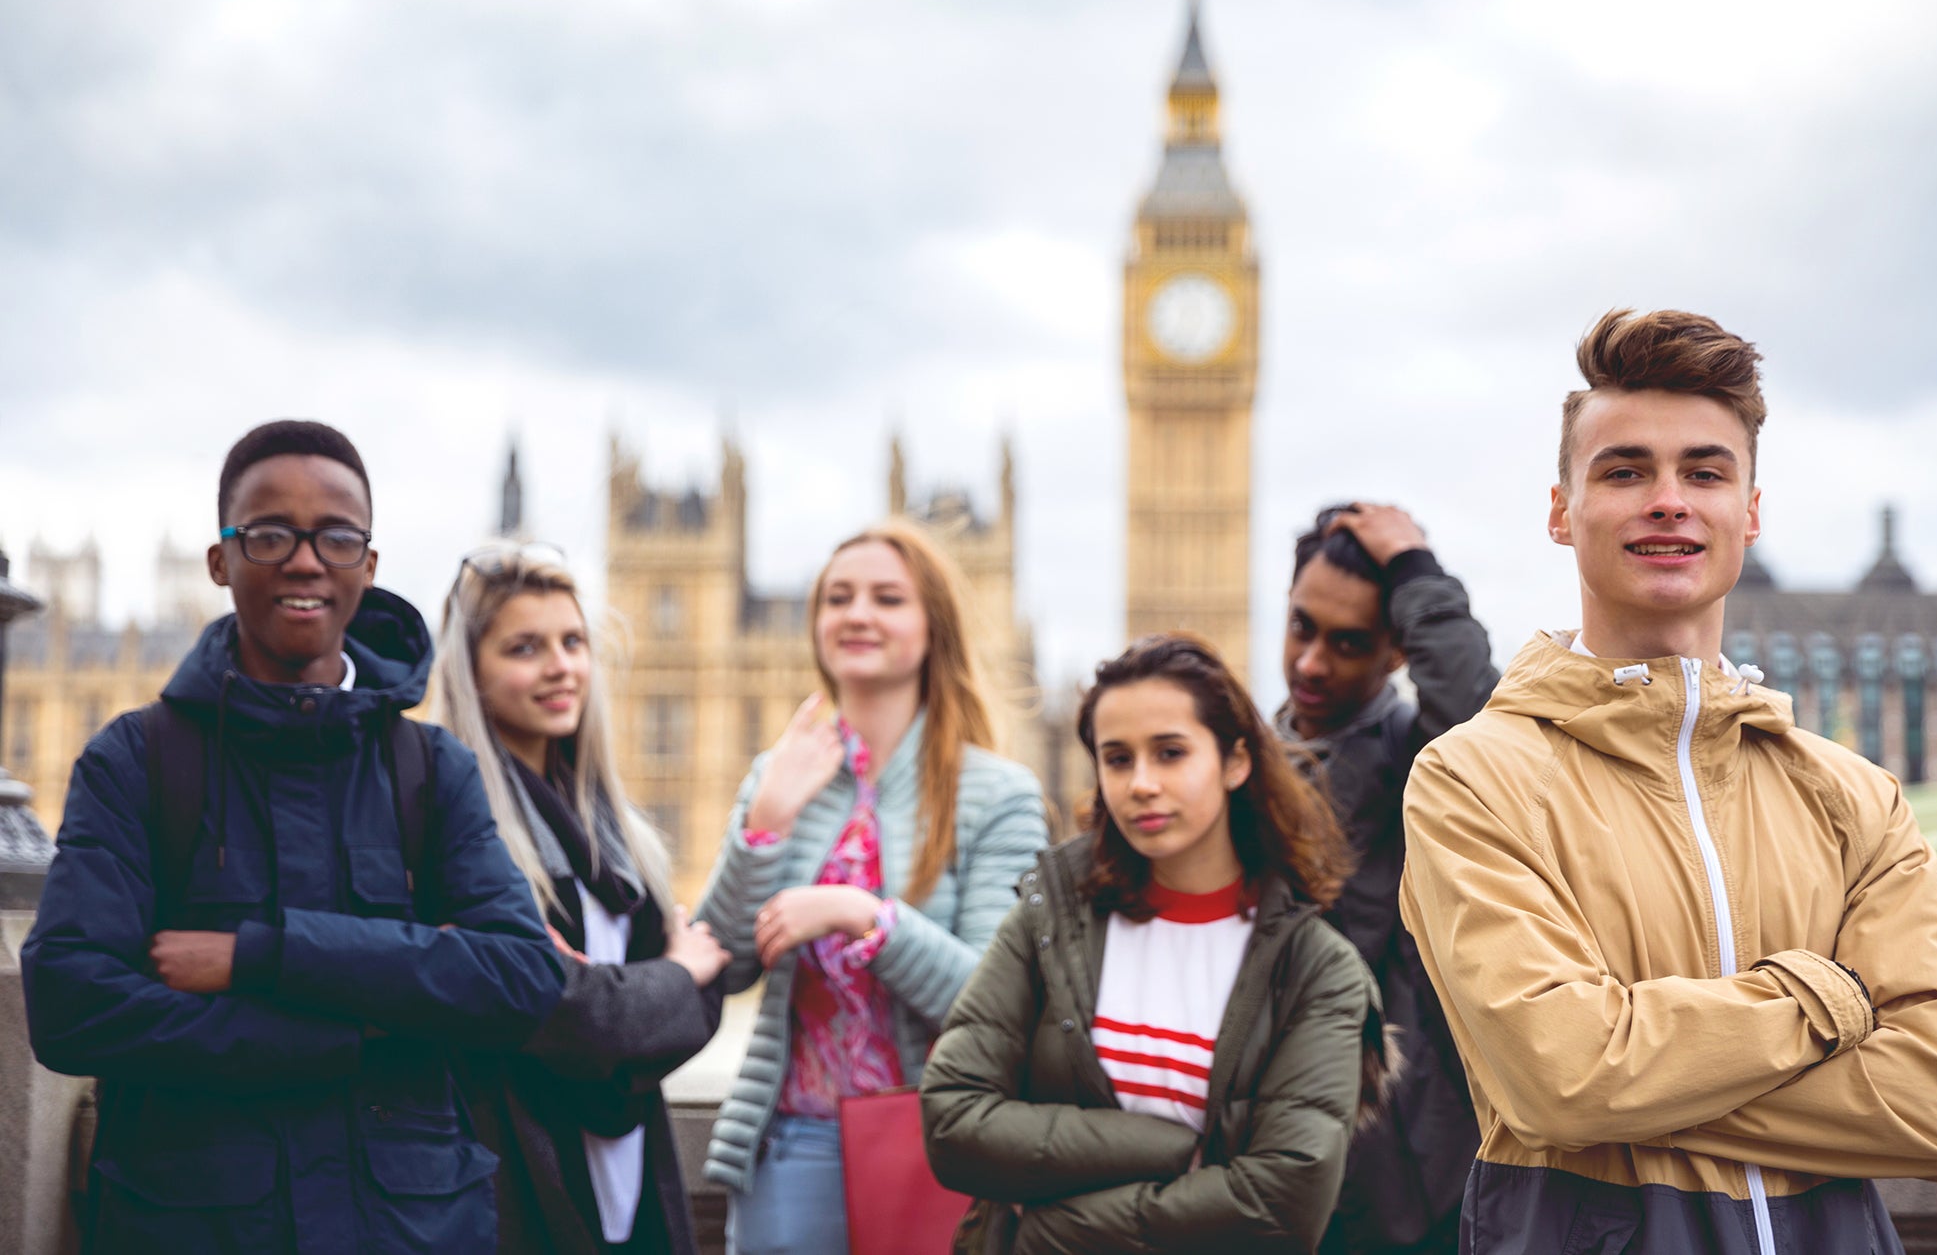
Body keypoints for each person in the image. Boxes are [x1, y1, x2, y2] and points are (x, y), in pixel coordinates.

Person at [1399, 310, 1937, 1253]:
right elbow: (1561, 1075)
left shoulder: (1857, 797)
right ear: (1562, 510)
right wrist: (1827, 998)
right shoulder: (1474, 778)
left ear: (1749, 512)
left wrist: (1625, 1080)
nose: (1669, 499)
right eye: (1625, 469)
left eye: (1706, 472)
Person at [22, 420, 565, 1254]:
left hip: (410, 1229)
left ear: (368, 565)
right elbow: (71, 1005)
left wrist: (258, 956)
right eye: (270, 533)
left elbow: (521, 977)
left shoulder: (431, 769)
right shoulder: (137, 761)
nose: (306, 560)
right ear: (220, 559)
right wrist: (365, 1022)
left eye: (336, 536)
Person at [922, 633, 1393, 1254]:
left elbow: (1280, 1206)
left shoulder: (1315, 969)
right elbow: (953, 1119)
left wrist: (1048, 1230)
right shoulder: (1051, 918)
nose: (1141, 783)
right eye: (1118, 759)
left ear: (1236, 762)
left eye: (1170, 753)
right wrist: (1176, 1149)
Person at [696, 518, 1050, 1255]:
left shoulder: (998, 794)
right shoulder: (781, 773)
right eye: (838, 597)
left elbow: (997, 1004)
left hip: (940, 1143)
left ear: (932, 626)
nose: (857, 613)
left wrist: (863, 916)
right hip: (791, 1140)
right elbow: (721, 965)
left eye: (887, 597)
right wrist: (764, 821)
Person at [431, 541, 730, 1254]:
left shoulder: (617, 836)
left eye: (573, 641)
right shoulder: (455, 831)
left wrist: (637, 1000)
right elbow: (569, 1019)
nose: (561, 665)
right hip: (522, 1178)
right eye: (525, 647)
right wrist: (673, 979)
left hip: (634, 1183)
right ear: (470, 670)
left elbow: (703, 991)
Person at [1277, 504, 1495, 1255]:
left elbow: (1479, 713)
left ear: (1397, 651)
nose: (1310, 662)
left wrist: (1415, 569)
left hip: (1399, 1180)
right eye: (1301, 626)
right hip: (1263, 1168)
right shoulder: (1238, 761)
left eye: (1347, 643)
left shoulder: (1425, 763)